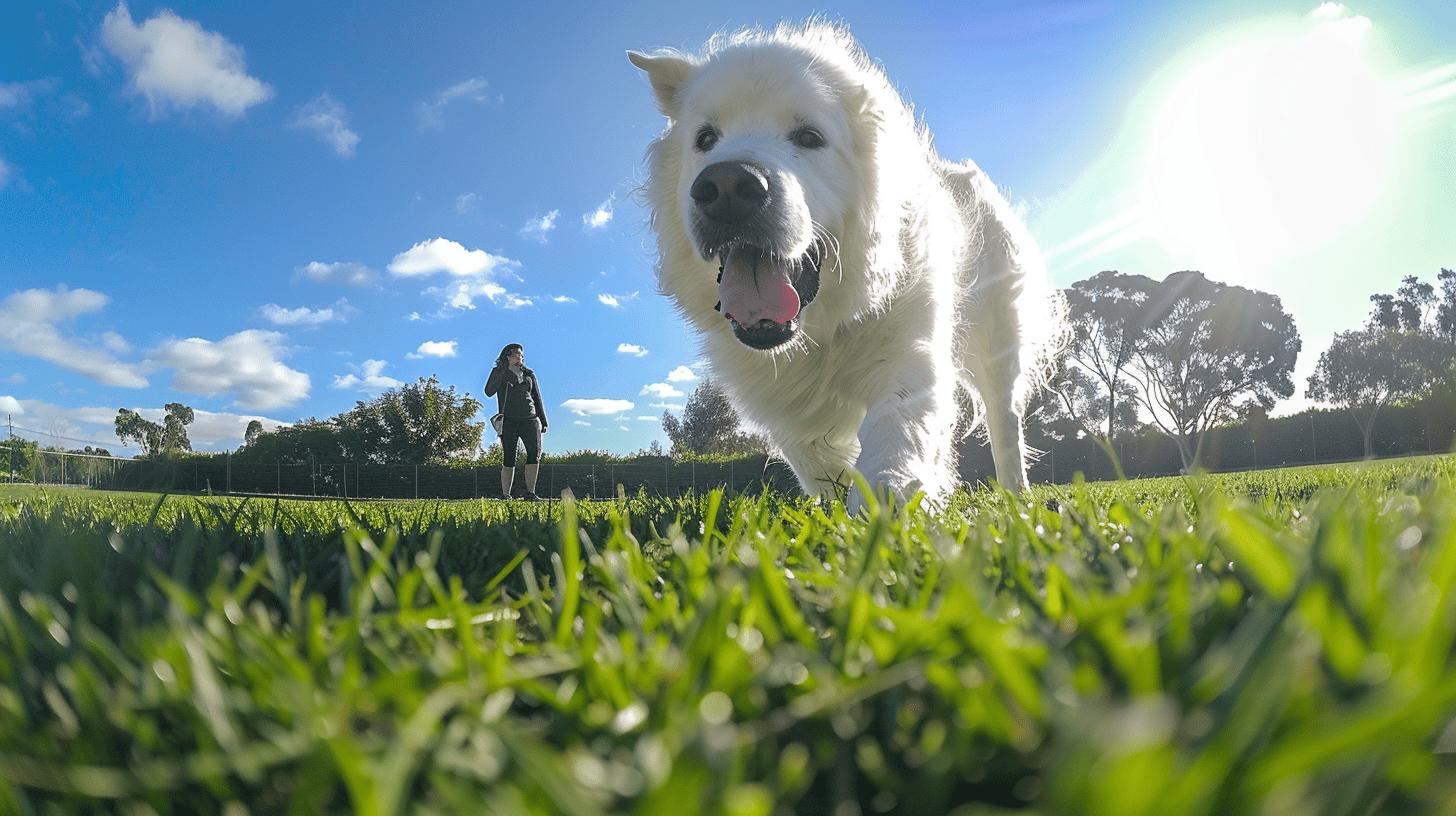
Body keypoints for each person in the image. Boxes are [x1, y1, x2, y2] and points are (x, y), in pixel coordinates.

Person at [485, 343, 548, 500]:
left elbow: (537, 397)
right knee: (509, 457)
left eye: (520, 355)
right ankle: (506, 494)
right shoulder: (499, 372)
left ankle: (530, 493)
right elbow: (488, 392)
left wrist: (543, 420)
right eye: (515, 355)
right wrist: (503, 372)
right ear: (507, 356)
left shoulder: (529, 374)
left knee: (534, 455)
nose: (519, 357)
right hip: (509, 420)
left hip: (530, 419)